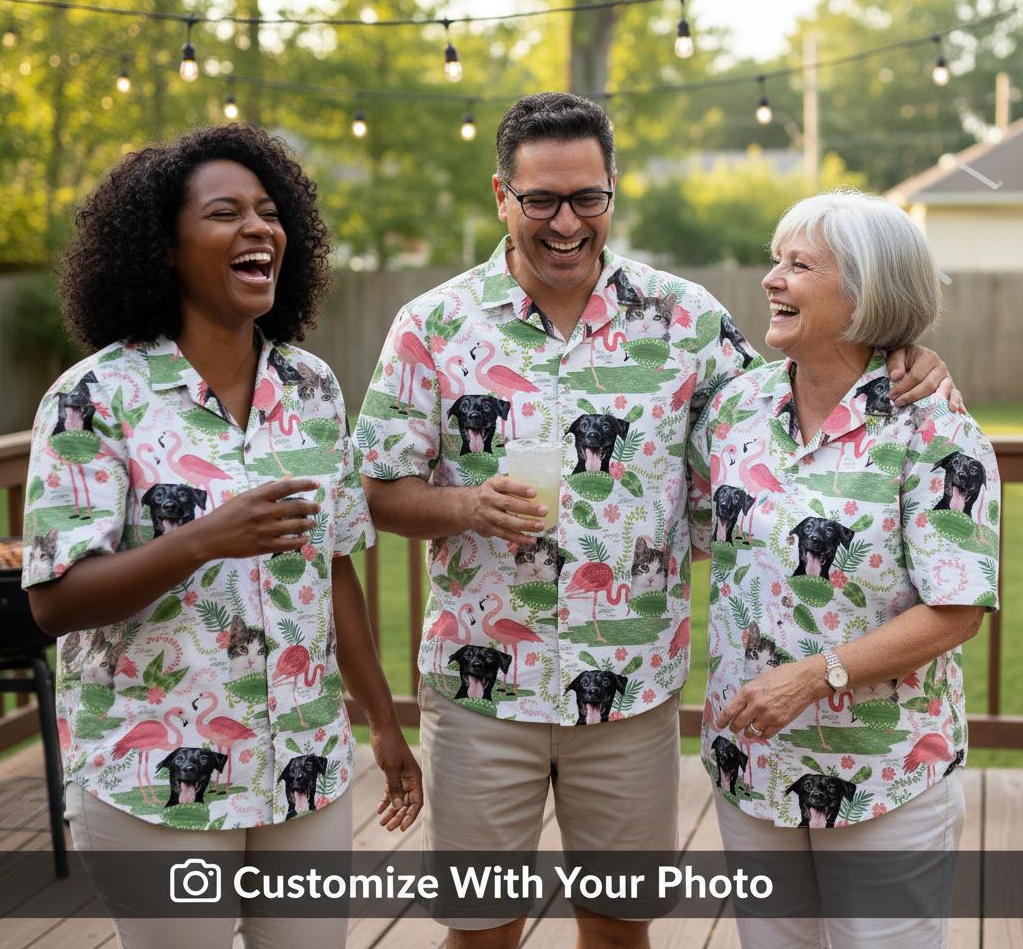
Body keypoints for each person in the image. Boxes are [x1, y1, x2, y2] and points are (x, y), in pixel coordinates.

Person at [356, 93, 955, 949]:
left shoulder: (688, 322)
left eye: (587, 198)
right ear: (502, 197)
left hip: (632, 690)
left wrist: (909, 354)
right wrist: (464, 505)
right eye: (541, 201)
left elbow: (799, 396)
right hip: (483, 689)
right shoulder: (432, 327)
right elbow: (375, 489)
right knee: (483, 928)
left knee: (620, 926)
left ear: (612, 193)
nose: (566, 222)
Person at [21, 123, 421, 949]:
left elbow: (334, 568)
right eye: (225, 213)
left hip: (302, 765)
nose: (257, 229)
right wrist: (203, 540)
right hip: (157, 780)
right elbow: (56, 602)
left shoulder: (311, 388)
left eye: (270, 213)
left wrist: (382, 723)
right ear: (162, 248)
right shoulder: (93, 398)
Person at [687, 190, 999, 949]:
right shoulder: (735, 410)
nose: (771, 279)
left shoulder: (935, 430)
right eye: (774, 260)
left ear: (866, 294)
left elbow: (956, 609)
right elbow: (697, 530)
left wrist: (812, 674)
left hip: (883, 773)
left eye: (799, 265)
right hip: (750, 761)